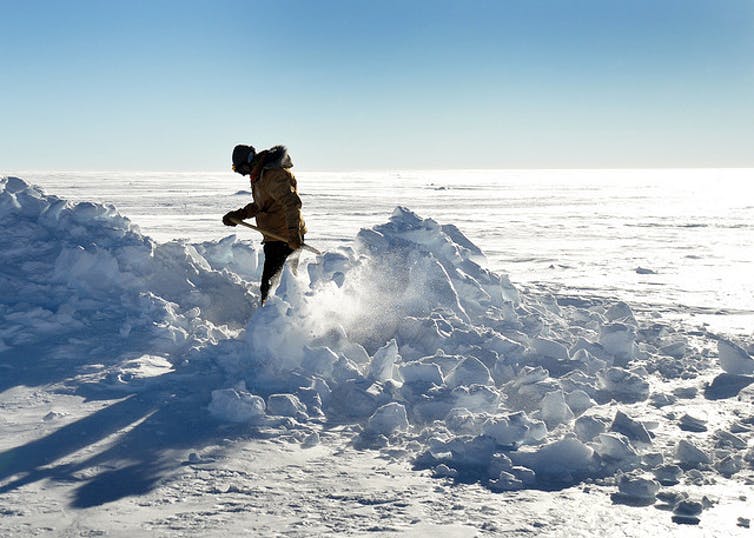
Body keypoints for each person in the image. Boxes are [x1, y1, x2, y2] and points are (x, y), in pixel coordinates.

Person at [223, 144, 307, 304]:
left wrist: (293, 233)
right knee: (276, 286)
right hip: (274, 237)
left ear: (249, 161)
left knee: (274, 287)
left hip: (285, 238)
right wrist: (239, 214)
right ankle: (277, 319)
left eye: (240, 169)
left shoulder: (273, 176)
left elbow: (291, 204)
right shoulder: (259, 176)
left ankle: (275, 322)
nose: (242, 174)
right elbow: (262, 205)